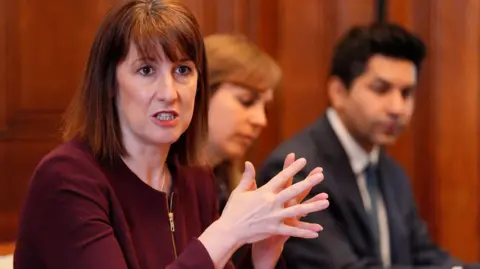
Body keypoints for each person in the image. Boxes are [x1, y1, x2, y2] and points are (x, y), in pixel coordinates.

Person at [13, 1, 330, 268]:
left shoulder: (196, 178)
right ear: (109, 83)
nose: (169, 93)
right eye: (146, 70)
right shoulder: (66, 179)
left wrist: (263, 256)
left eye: (182, 70)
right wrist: (227, 232)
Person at [258, 22, 474, 269]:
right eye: (380, 89)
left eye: (406, 93)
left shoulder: (391, 172)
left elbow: (424, 256)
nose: (397, 108)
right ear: (338, 92)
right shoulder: (298, 172)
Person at [203, 34, 282, 213]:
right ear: (201, 94)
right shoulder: (160, 184)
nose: (261, 120)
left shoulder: (232, 188)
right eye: (246, 101)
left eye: (265, 108)